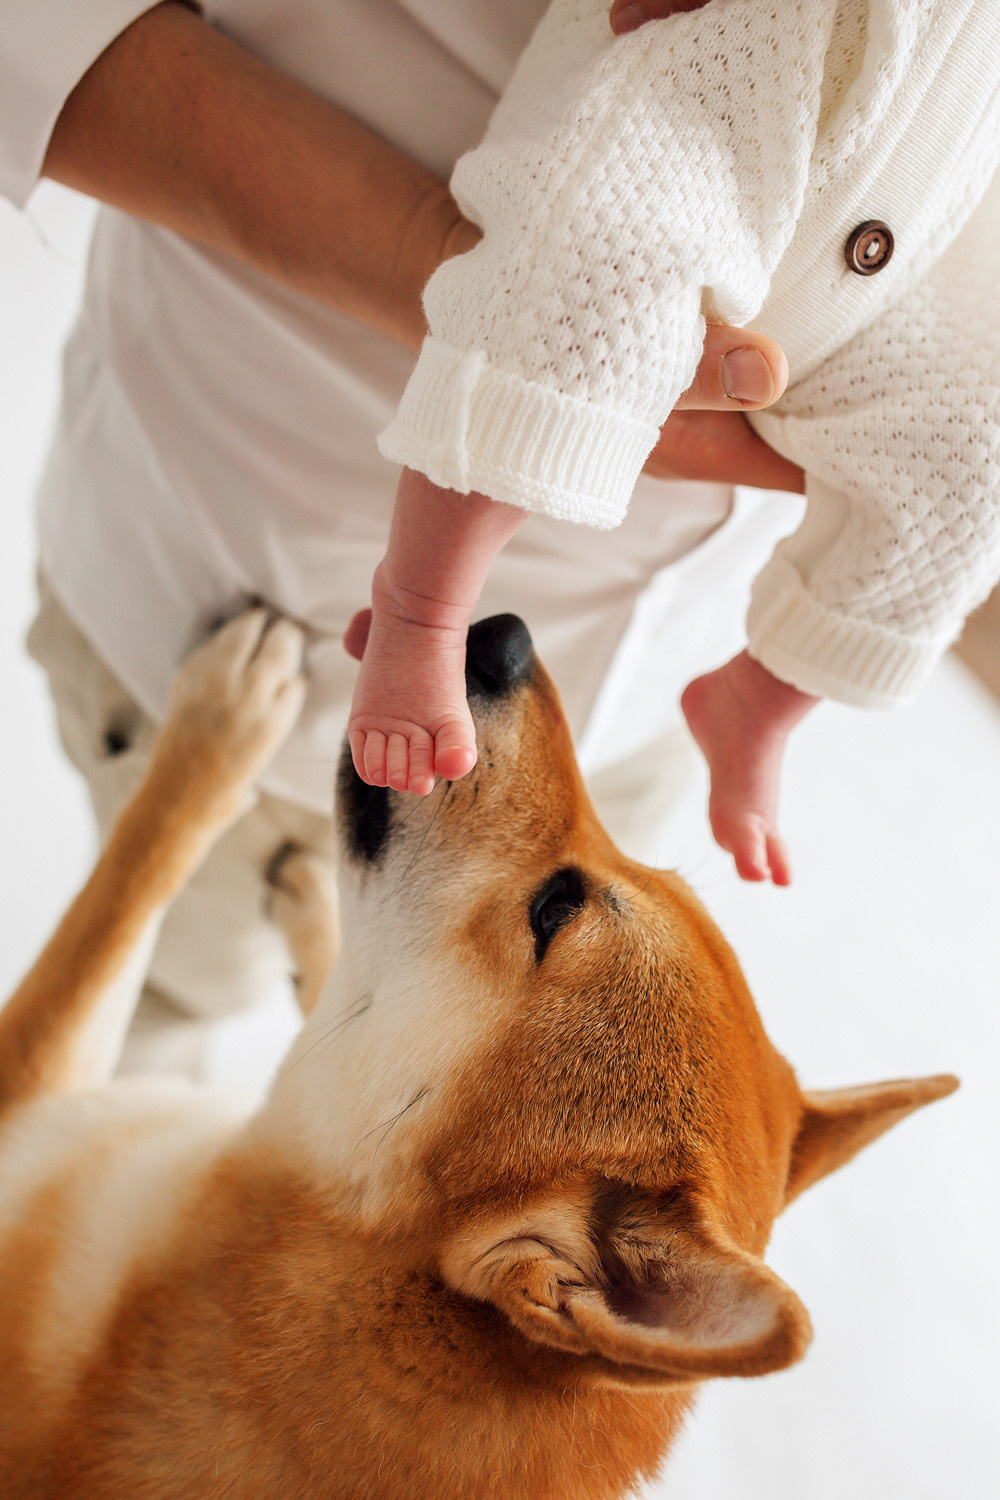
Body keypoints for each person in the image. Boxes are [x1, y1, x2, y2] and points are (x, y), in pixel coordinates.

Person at [1, 0, 798, 1073]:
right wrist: (507, 328)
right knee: (175, 994)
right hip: (264, 632)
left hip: (655, 710)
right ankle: (420, 612)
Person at [347, 0, 1000, 886]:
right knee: (583, 284)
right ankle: (422, 606)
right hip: (743, 61)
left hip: (926, 174)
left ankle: (760, 701)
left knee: (979, 449)